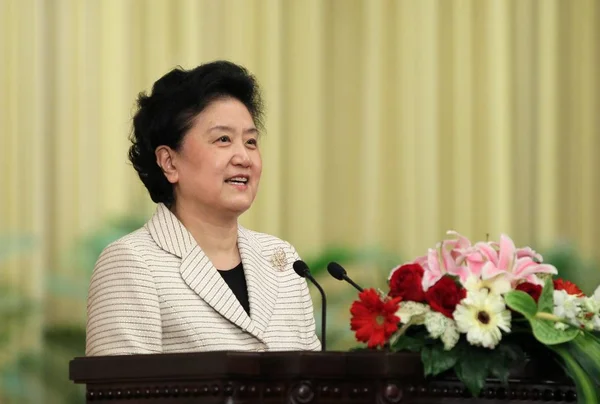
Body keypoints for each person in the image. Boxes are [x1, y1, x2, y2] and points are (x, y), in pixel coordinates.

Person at [85, 61, 321, 355]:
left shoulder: (283, 260)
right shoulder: (132, 263)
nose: (244, 157)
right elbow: (120, 394)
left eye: (250, 141)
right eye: (223, 139)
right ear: (170, 163)